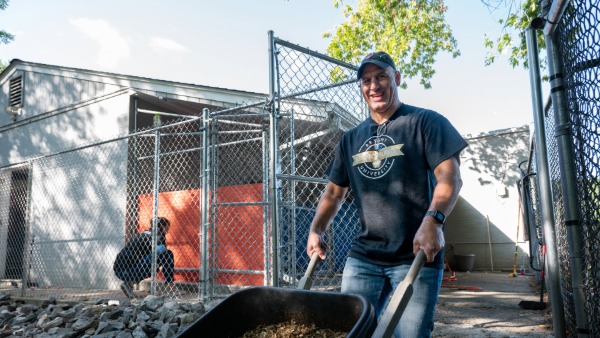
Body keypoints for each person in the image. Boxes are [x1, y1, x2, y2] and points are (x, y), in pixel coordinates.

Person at [306, 51, 467, 337]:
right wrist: (316, 228)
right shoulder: (350, 139)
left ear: (396, 78)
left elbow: (450, 177)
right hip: (364, 256)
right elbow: (333, 192)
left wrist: (434, 221)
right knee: (349, 331)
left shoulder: (426, 122)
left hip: (416, 255)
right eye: (366, 80)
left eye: (381, 76)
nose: (374, 85)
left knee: (410, 334)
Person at [113, 217, 175, 298]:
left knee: (154, 266)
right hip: (128, 270)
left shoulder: (145, 233)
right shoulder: (159, 234)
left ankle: (128, 284)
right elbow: (161, 250)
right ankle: (170, 285)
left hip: (119, 270)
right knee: (168, 254)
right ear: (162, 227)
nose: (167, 231)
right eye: (167, 227)